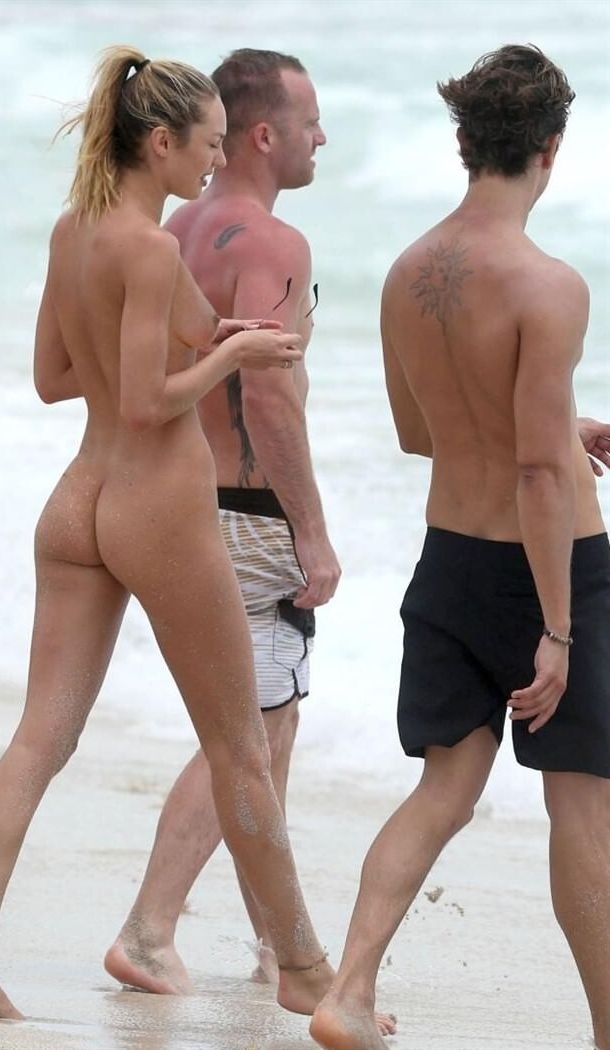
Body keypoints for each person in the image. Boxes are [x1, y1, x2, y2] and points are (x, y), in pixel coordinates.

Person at [0, 44, 337, 1022]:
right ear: (159, 141)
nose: (214, 163)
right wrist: (228, 364)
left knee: (39, 738)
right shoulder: (149, 248)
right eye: (205, 146)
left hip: (78, 499)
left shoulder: (75, 231)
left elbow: (53, 378)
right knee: (240, 749)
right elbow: (153, 402)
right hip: (155, 505)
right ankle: (307, 972)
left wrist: (224, 337)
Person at [310, 44, 610, 1050]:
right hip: (549, 572)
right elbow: (537, 479)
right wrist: (558, 631)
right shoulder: (548, 285)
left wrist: (558, 427)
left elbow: (420, 432)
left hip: (449, 560)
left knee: (442, 789)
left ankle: (348, 991)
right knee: (584, 811)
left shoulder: (405, 274)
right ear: (550, 148)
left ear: (462, 143)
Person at [105, 44, 349, 997]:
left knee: (264, 729)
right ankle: (150, 929)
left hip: (178, 498)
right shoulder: (273, 243)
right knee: (247, 736)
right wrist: (311, 533)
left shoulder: (178, 224)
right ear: (265, 135)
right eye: (309, 121)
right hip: (250, 513)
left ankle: (273, 942)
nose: (321, 136)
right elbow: (271, 396)